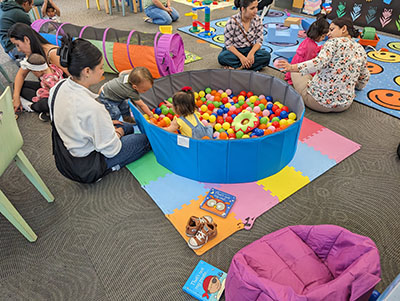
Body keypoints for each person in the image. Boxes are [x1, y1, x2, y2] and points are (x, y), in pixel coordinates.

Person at [49, 35, 151, 177]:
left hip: (65, 155)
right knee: (145, 140)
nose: (103, 71)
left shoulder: (57, 87)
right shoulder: (94, 108)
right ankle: (109, 168)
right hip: (85, 166)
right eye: (101, 67)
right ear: (87, 71)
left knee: (127, 126)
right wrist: (118, 133)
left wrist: (109, 125)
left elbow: (74, 120)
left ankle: (117, 133)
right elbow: (112, 150)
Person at [277, 17, 370, 113]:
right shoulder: (361, 49)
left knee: (296, 72)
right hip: (345, 104)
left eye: (332, 29)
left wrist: (291, 67)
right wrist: (357, 86)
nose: (328, 34)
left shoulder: (332, 42)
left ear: (343, 29)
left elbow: (318, 63)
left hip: (319, 102)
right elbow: (365, 76)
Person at [8, 22, 68, 112]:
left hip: (63, 92)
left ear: (26, 40)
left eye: (17, 45)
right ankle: (29, 102)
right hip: (47, 88)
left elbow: (74, 77)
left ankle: (32, 106)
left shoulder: (52, 53)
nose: (18, 49)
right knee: (17, 86)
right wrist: (16, 97)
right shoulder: (31, 54)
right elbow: (21, 75)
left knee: (45, 103)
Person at [217, 0, 270, 71]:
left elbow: (259, 41)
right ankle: (248, 67)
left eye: (256, 7)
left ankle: (239, 68)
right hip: (235, 51)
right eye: (252, 8)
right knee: (222, 57)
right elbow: (229, 45)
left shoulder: (257, 19)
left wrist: (251, 54)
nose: (256, 11)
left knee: (266, 56)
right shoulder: (232, 21)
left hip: (249, 49)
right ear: (243, 9)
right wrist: (241, 57)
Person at [284, 15, 329, 85]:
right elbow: (310, 62)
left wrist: (320, 48)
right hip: (300, 66)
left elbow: (312, 50)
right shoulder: (311, 46)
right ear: (317, 34)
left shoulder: (308, 40)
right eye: (323, 36)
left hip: (296, 61)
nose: (323, 39)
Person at [19, 53, 63, 120]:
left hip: (53, 96)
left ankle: (31, 106)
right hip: (45, 87)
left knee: (43, 103)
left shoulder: (49, 81)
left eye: (33, 72)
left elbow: (55, 94)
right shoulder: (50, 67)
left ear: (38, 71)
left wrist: (40, 95)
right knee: (21, 85)